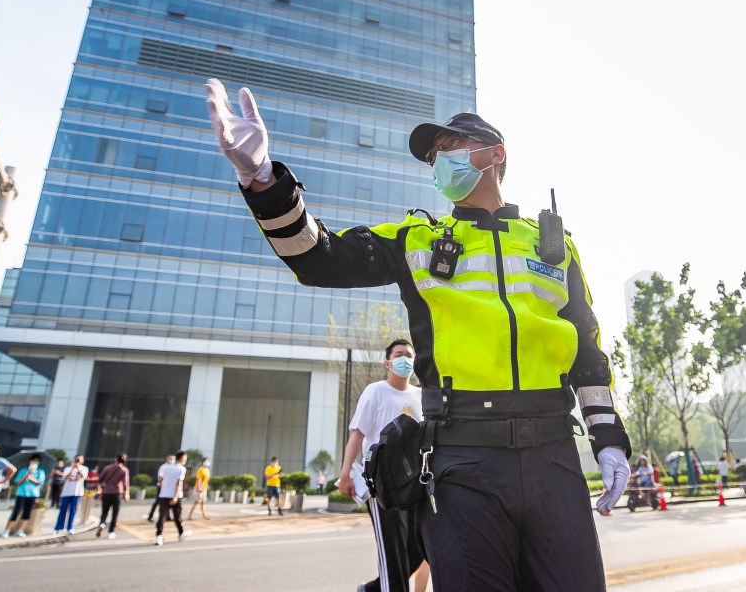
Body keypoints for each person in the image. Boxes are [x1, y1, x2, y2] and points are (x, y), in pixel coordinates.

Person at [205, 80, 632, 591]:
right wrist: (261, 179)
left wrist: (609, 440)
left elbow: (588, 351)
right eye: (434, 156)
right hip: (462, 460)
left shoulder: (554, 247)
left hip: (554, 455)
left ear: (495, 154)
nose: (439, 162)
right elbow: (319, 258)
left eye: (449, 147)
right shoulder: (419, 239)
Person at [340, 339, 426, 592]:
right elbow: (357, 434)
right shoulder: (375, 391)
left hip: (415, 485)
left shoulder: (421, 395)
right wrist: (345, 473)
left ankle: (373, 589)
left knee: (420, 548)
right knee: (392, 552)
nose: (405, 359)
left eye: (409, 355)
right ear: (388, 363)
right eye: (399, 354)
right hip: (383, 486)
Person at [3, 453, 45, 538]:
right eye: (33, 460)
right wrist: (28, 474)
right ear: (29, 461)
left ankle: (20, 530)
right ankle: (6, 531)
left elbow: (39, 482)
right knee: (16, 512)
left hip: (33, 494)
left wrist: (31, 477)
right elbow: (17, 482)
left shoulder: (40, 471)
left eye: (37, 461)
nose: (35, 462)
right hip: (22, 493)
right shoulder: (23, 470)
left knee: (27, 512)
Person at [154, 451, 190, 545]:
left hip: (164, 495)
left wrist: (163, 491)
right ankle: (181, 533)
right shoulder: (181, 469)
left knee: (162, 516)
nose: (185, 459)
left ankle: (159, 536)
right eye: (185, 457)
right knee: (177, 515)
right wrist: (175, 496)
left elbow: (160, 480)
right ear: (181, 458)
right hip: (174, 496)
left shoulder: (164, 467)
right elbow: (179, 483)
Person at [97, 454, 130, 539]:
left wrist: (100, 491)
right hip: (117, 493)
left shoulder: (107, 468)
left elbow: (100, 480)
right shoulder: (124, 470)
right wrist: (126, 494)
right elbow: (125, 483)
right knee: (115, 513)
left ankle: (102, 523)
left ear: (115, 459)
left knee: (104, 511)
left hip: (106, 492)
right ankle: (111, 531)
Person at [54, 454, 88, 535]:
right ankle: (59, 527)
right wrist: (73, 468)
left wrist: (78, 467)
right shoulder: (68, 468)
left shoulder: (84, 468)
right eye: (77, 459)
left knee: (73, 510)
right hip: (66, 492)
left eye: (79, 460)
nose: (77, 461)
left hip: (77, 492)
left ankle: (70, 527)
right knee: (63, 510)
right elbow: (66, 477)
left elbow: (84, 477)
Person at [148, 454, 176, 522]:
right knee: (158, 501)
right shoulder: (163, 467)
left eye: (173, 459)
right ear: (167, 459)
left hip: (168, 488)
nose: (172, 460)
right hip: (162, 487)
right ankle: (150, 516)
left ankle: (168, 516)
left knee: (168, 501)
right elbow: (160, 478)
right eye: (170, 459)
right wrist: (162, 487)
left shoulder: (172, 467)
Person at [187, 456, 211, 521]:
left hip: (204, 489)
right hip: (199, 489)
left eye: (207, 461)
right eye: (206, 461)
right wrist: (199, 489)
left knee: (203, 502)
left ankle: (204, 515)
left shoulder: (207, 470)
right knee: (196, 502)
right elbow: (198, 479)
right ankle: (189, 516)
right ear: (203, 462)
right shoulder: (200, 469)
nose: (207, 462)